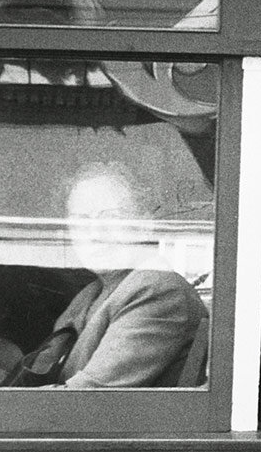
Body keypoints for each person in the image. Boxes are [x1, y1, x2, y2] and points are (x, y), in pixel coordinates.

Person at [45, 162, 209, 388]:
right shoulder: (90, 294)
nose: (95, 234)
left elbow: (89, 396)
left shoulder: (157, 290)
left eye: (111, 217)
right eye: (81, 220)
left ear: (144, 224)